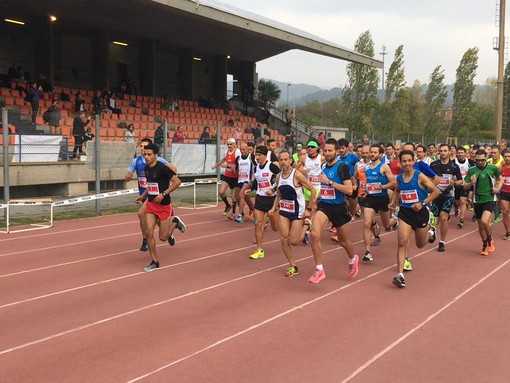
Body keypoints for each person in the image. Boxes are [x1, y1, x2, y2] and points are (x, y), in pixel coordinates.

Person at [308, 138, 359, 284]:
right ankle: (319, 269)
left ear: (336, 151)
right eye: (325, 150)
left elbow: (349, 190)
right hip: (325, 205)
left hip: (338, 208)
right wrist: (315, 201)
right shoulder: (323, 166)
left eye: (330, 150)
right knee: (314, 234)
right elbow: (324, 188)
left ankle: (352, 258)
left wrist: (330, 182)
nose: (328, 153)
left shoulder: (342, 166)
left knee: (344, 241)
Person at [389, 150, 440, 288]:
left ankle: (431, 233)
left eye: (409, 161)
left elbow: (436, 191)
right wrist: (393, 202)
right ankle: (400, 275)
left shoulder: (420, 176)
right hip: (405, 212)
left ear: (413, 161)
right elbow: (398, 190)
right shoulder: (399, 178)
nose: (406, 163)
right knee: (402, 242)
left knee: (419, 244)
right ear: (400, 162)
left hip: (420, 213)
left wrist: (422, 203)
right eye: (404, 161)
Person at [134, 144, 186, 272]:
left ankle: (175, 222)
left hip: (163, 206)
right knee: (148, 232)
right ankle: (154, 261)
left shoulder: (163, 168)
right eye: (144, 154)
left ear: (156, 155)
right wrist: (142, 196)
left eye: (149, 154)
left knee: (163, 237)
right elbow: (150, 185)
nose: (146, 157)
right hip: (151, 204)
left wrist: (163, 194)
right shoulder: (146, 169)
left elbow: (177, 182)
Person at [269, 150, 316, 276]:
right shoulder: (278, 177)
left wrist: (309, 209)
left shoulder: (297, 175)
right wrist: (273, 208)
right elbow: (278, 193)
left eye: (285, 159)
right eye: (281, 160)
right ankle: (293, 265)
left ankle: (306, 225)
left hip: (297, 211)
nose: (283, 162)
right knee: (283, 239)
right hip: (284, 210)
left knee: (294, 241)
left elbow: (312, 190)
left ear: (290, 160)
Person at [125, 138, 175, 251]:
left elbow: (173, 170)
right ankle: (169, 231)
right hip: (146, 193)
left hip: (155, 195)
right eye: (141, 146)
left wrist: (167, 178)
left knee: (141, 213)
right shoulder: (136, 161)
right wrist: (128, 177)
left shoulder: (159, 160)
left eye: (145, 146)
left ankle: (145, 240)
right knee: (157, 222)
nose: (143, 149)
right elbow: (127, 176)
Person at [463, 149, 503, 256]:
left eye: (482, 160)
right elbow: (465, 185)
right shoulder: (472, 170)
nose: (479, 162)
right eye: (477, 160)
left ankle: (490, 239)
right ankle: (484, 244)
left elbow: (500, 178)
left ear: (486, 158)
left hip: (489, 198)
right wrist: (471, 181)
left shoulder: (492, 168)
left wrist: (497, 188)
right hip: (477, 199)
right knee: (480, 226)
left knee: (485, 221)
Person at [361, 144, 397, 262]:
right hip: (370, 199)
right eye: (371, 152)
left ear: (380, 154)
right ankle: (367, 252)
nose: (372, 154)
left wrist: (382, 186)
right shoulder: (366, 167)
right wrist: (365, 189)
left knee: (386, 225)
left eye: (375, 152)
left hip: (382, 199)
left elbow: (393, 183)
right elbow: (367, 182)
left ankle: (395, 220)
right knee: (366, 224)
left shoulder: (384, 167)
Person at [247, 145, 280, 259]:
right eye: (256, 155)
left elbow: (283, 178)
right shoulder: (256, 168)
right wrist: (250, 189)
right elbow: (257, 182)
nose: (257, 157)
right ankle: (259, 249)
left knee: (275, 228)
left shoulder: (272, 167)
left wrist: (273, 189)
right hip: (260, 198)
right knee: (257, 223)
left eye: (259, 155)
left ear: (265, 156)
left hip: (272, 200)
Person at [429, 144, 463, 252]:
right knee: (435, 219)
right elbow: (427, 177)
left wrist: (454, 182)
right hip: (435, 194)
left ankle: (442, 242)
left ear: (449, 152)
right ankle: (433, 230)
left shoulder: (454, 166)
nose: (443, 152)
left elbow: (460, 181)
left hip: (448, 195)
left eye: (445, 150)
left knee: (443, 217)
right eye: (441, 150)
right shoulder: (434, 165)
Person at [211, 138, 241, 218]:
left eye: (231, 144)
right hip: (227, 176)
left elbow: (236, 167)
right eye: (228, 144)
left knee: (234, 196)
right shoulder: (226, 152)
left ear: (234, 145)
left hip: (235, 177)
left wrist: (227, 166)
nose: (229, 146)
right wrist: (215, 166)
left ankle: (233, 213)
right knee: (221, 192)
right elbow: (223, 159)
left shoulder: (237, 152)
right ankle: (228, 205)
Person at [454, 145, 475, 228]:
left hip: (466, 184)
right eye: (458, 153)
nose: (460, 154)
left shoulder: (470, 162)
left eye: (461, 153)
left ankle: (461, 220)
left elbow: (475, 170)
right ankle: (464, 204)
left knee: (462, 200)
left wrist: (471, 179)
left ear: (465, 153)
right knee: (457, 202)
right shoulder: (453, 162)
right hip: (457, 184)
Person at [234, 141, 256, 223]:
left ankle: (240, 215)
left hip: (248, 180)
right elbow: (234, 170)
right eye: (241, 150)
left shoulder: (252, 157)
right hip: (239, 180)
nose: (242, 151)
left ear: (247, 149)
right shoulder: (238, 158)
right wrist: (231, 167)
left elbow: (257, 168)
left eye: (244, 149)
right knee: (241, 197)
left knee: (241, 194)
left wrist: (252, 179)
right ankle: (253, 210)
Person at [499, 150, 510, 240]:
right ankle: (508, 232)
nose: (507, 158)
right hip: (504, 192)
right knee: (505, 212)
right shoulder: (501, 167)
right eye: (505, 156)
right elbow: (497, 177)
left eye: (509, 156)